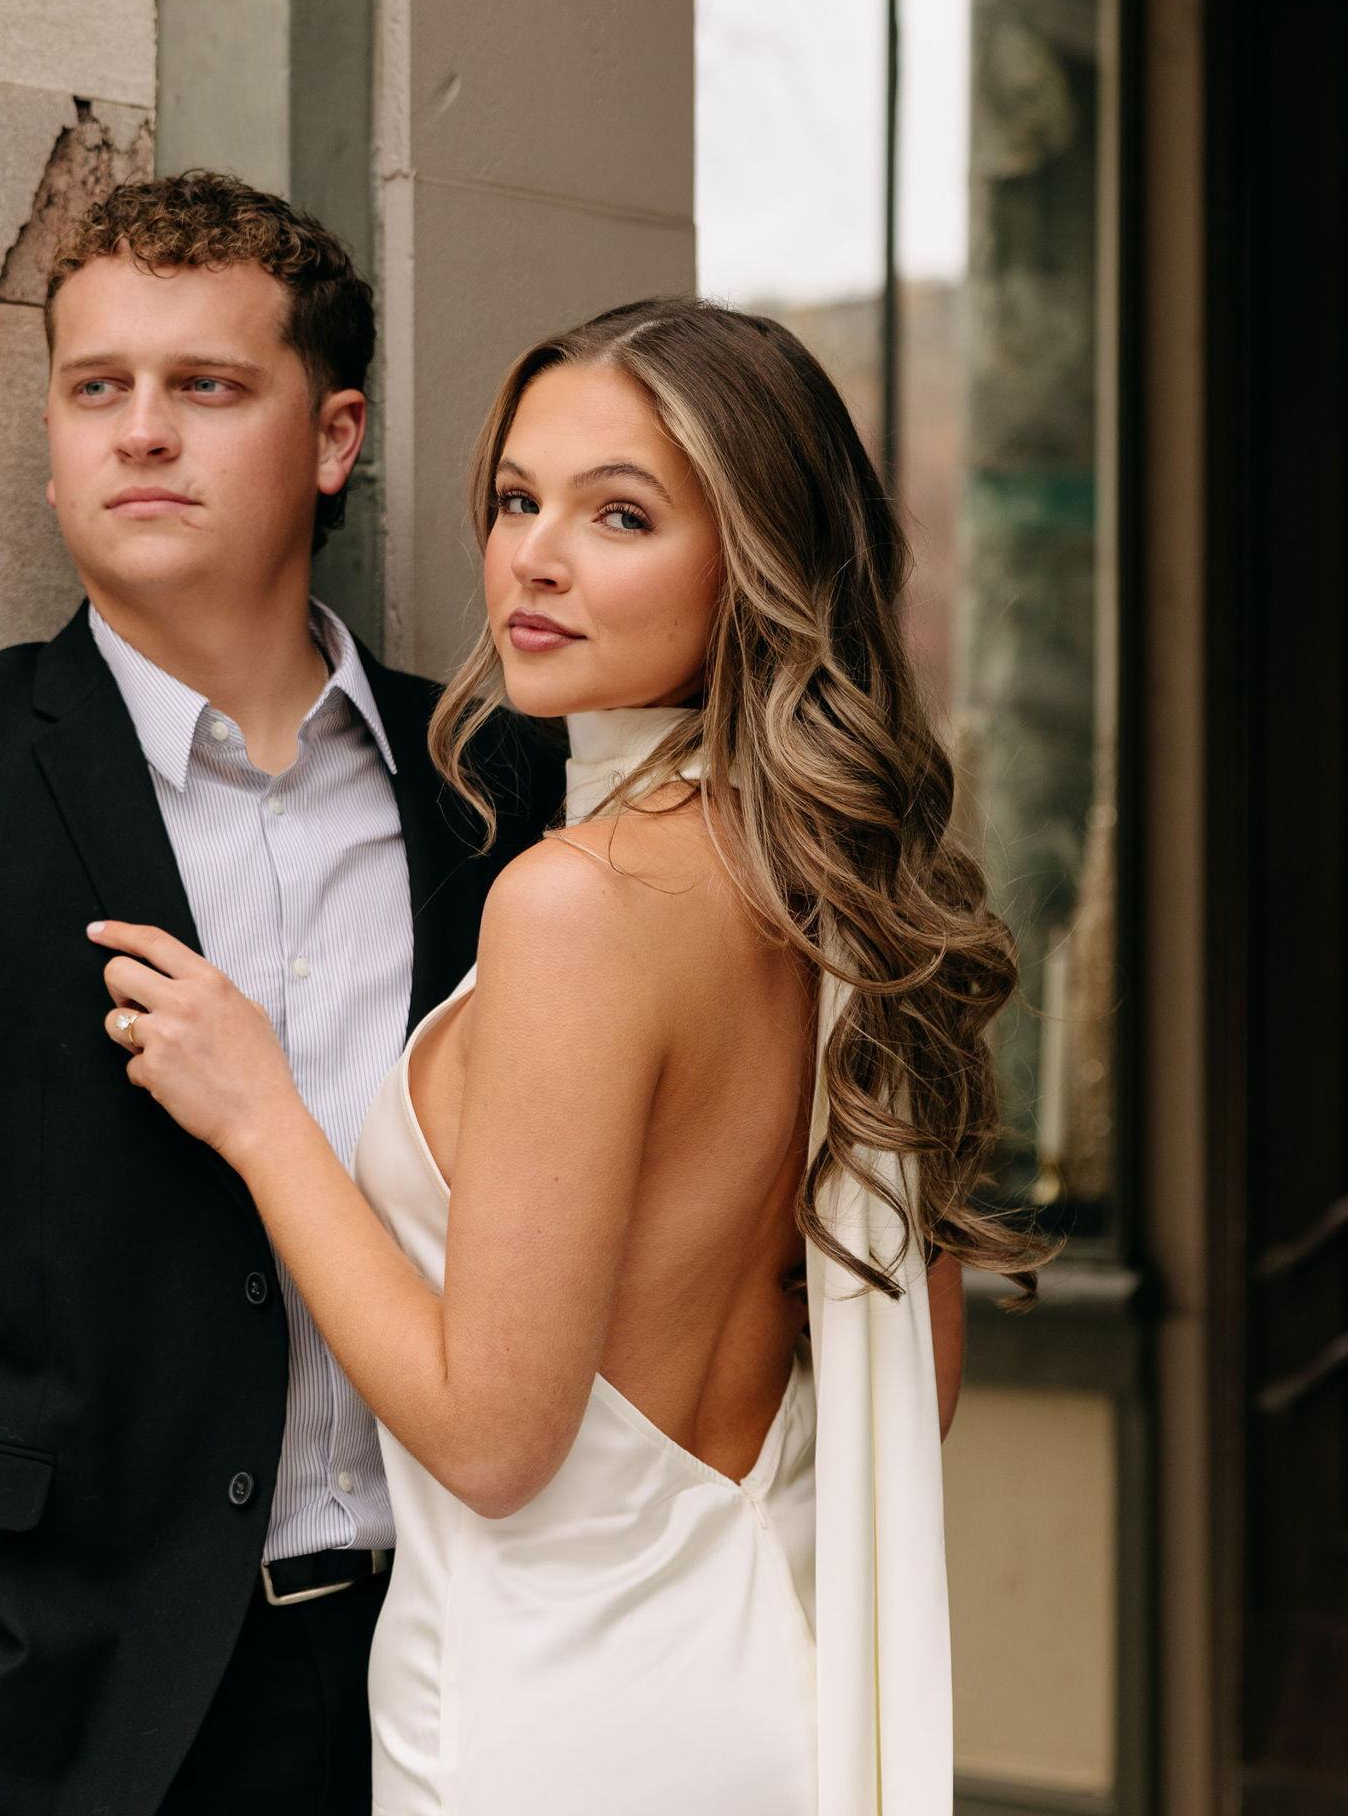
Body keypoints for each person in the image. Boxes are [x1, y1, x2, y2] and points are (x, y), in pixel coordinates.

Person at [91, 296, 1056, 1815]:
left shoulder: (577, 904)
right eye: (515, 499)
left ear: (757, 565)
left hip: (554, 1717)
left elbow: (494, 1443)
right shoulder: (833, 890)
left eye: (620, 514)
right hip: (769, 1678)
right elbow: (908, 1397)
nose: (534, 558)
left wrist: (264, 1118)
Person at [0, 172, 558, 1816]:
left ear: (333, 438)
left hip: (464, 1668)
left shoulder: (497, 788)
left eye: (205, 386)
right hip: (84, 1714)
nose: (140, 432)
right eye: (95, 388)